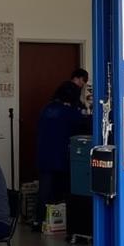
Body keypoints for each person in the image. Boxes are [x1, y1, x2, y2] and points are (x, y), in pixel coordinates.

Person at [34, 81, 90, 232]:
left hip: (44, 155)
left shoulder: (47, 109)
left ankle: (39, 221)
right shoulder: (70, 112)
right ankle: (65, 223)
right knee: (65, 191)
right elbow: (84, 123)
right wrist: (84, 106)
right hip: (61, 156)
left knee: (44, 190)